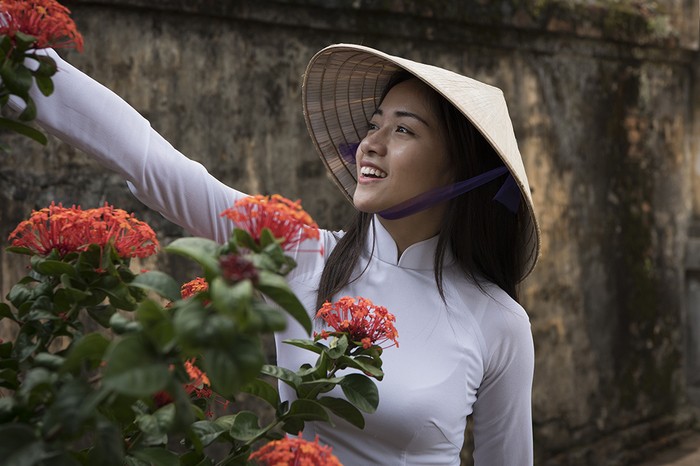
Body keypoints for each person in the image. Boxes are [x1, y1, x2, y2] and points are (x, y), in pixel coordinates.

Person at [9, 43, 540, 465]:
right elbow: (153, 163)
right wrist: (20, 58)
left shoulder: (499, 323)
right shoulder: (304, 256)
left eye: (403, 130)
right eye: (374, 124)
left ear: (460, 171)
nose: (370, 144)